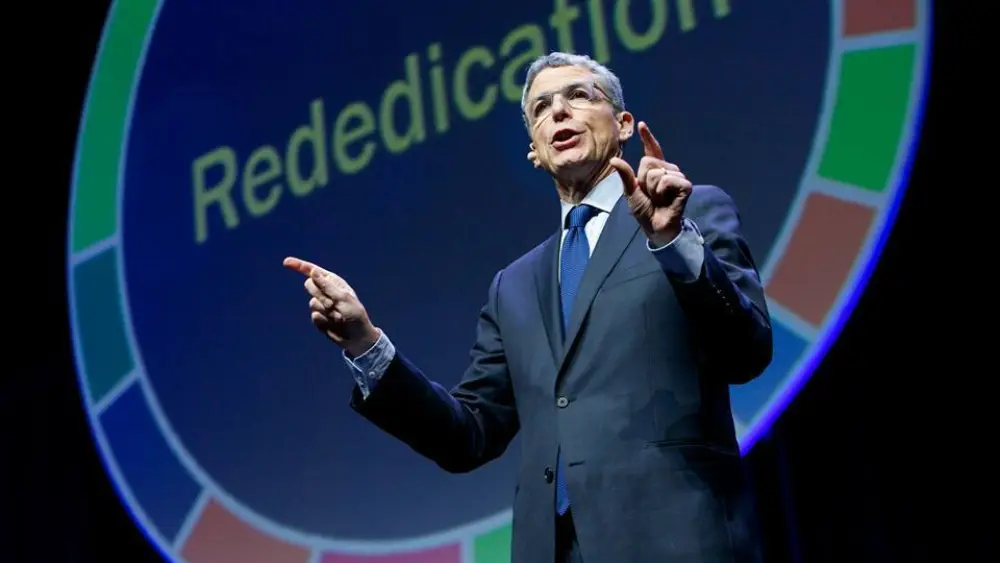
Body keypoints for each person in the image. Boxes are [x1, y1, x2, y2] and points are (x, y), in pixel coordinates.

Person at [284, 52, 772, 563]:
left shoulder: (690, 213)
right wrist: (366, 345)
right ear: (535, 152)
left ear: (624, 124)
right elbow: (468, 435)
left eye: (578, 95)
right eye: (541, 107)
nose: (558, 111)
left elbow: (748, 351)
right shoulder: (513, 286)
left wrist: (671, 241)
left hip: (674, 540)